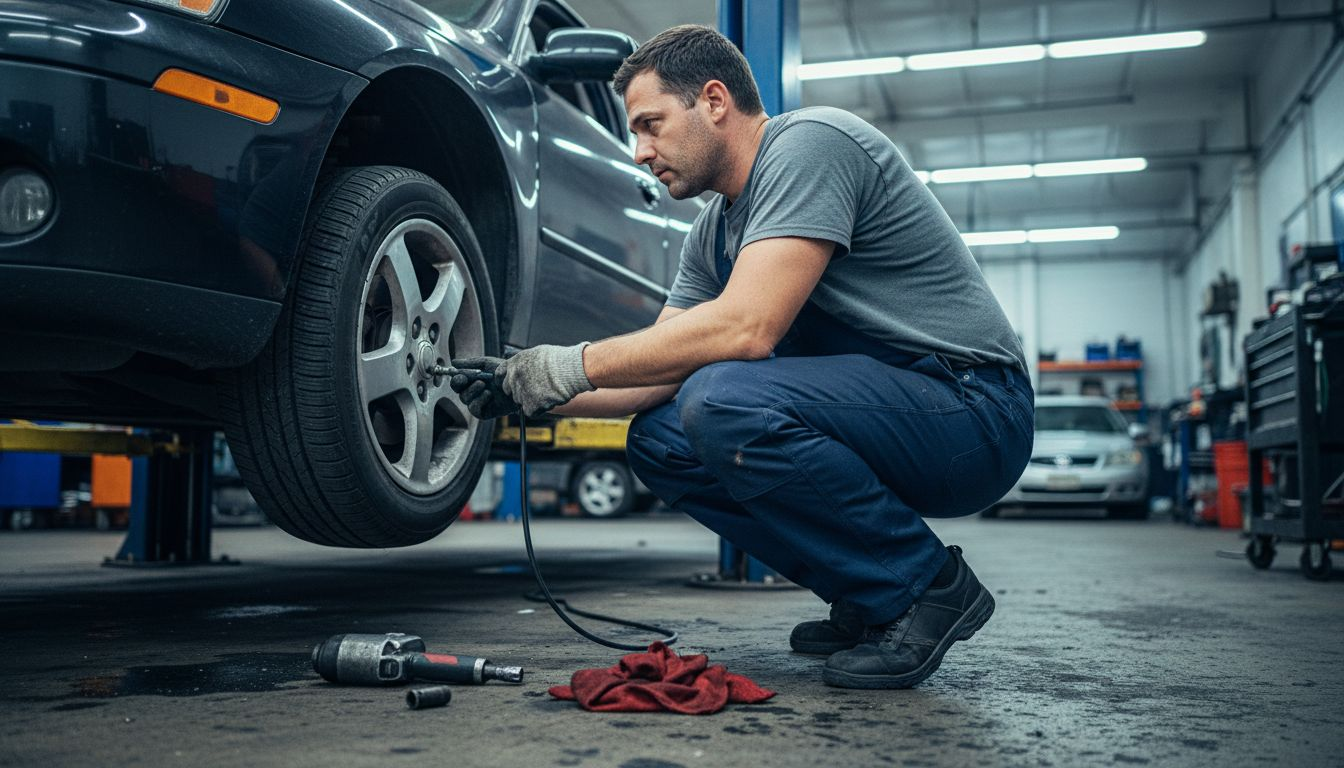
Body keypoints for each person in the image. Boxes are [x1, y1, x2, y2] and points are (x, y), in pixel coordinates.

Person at [449, 24, 1033, 689]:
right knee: (660, 440)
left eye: (650, 125)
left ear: (714, 101)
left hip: (973, 413)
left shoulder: (811, 144)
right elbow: (652, 380)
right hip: (894, 414)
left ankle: (925, 588)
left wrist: (564, 363)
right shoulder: (712, 235)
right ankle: (871, 593)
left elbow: (748, 328)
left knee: (722, 399)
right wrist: (521, 389)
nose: (640, 152)